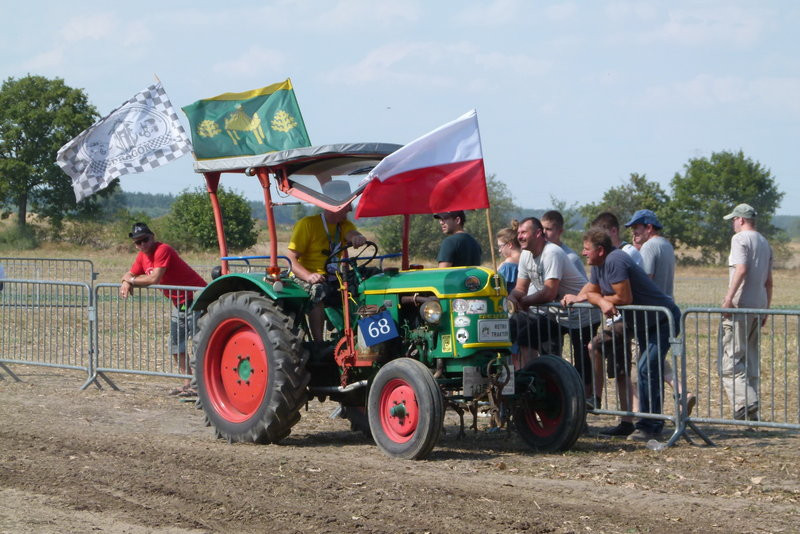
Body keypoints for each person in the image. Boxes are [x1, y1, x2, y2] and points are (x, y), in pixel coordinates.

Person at [562, 229, 681, 442]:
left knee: (646, 369)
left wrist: (600, 300)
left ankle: (650, 426)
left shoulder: (615, 260)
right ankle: (644, 421)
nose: (583, 253)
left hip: (662, 321)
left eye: (587, 249)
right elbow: (592, 290)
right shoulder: (599, 265)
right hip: (643, 323)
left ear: (600, 250)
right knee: (643, 367)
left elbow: (624, 297)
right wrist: (576, 298)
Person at [507, 218, 599, 399]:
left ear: (538, 233)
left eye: (524, 232)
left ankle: (586, 405)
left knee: (582, 362)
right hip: (557, 314)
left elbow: (549, 293)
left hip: (582, 313)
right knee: (527, 337)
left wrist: (524, 302)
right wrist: (511, 299)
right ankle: (532, 382)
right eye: (518, 233)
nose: (520, 236)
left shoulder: (552, 253)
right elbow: (520, 289)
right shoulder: (525, 255)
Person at [120, 222, 207, 397]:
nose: (142, 245)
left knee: (200, 345)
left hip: (196, 299)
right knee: (176, 344)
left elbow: (154, 278)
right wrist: (125, 281)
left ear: (152, 237)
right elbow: (129, 273)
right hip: (179, 302)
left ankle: (200, 387)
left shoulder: (163, 250)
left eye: (145, 240)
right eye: (137, 242)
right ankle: (187, 384)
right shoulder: (142, 256)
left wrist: (132, 282)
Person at [624, 209, 693, 415]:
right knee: (654, 368)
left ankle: (649, 418)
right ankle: (662, 408)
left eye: (637, 228)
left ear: (649, 227)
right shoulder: (666, 245)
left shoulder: (650, 246)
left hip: (651, 317)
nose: (634, 233)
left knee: (645, 370)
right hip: (665, 313)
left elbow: (644, 280)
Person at [286, 180, 367, 342]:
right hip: (303, 277)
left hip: (332, 277)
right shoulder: (308, 225)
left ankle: (360, 338)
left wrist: (358, 238)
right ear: (333, 203)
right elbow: (290, 259)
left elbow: (351, 234)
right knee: (318, 290)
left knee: (365, 284)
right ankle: (319, 344)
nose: (350, 208)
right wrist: (309, 276)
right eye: (347, 204)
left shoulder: (343, 225)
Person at [721, 203, 773, 421]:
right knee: (750, 359)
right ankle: (751, 415)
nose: (733, 223)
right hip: (758, 305)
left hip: (741, 306)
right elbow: (769, 282)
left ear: (741, 220)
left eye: (734, 219)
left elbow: (741, 269)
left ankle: (746, 403)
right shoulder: (765, 242)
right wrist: (766, 309)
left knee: (730, 361)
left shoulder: (739, 239)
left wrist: (728, 299)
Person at [541, 210, 585, 276]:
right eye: (541, 228)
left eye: (548, 229)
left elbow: (583, 285)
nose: (543, 232)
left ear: (560, 231)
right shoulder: (536, 254)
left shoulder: (570, 258)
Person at [496, 221, 521, 292]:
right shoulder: (526, 257)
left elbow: (497, 285)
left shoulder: (509, 264)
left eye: (500, 246)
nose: (499, 250)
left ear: (509, 244)